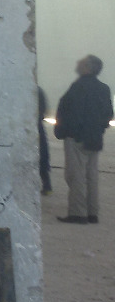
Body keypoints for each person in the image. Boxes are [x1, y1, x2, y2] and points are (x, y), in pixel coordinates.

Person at [54, 55, 114, 224]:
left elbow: (71, 112)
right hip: (94, 138)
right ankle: (92, 212)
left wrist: (66, 131)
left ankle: (78, 213)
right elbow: (108, 114)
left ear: (87, 67)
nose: (77, 63)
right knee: (91, 176)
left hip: (77, 138)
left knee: (76, 176)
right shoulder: (103, 88)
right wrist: (98, 129)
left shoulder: (78, 87)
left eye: (81, 62)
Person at [38, 86, 51, 195]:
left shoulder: (23, 90)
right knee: (42, 156)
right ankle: (47, 186)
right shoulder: (39, 90)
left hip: (31, 126)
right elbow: (44, 110)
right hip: (38, 126)